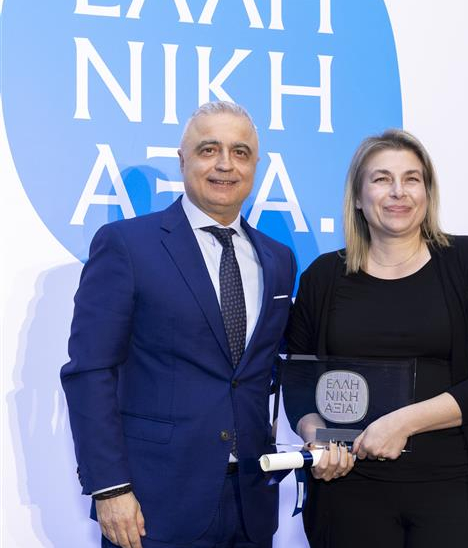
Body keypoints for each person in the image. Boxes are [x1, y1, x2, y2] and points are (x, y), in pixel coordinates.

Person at [61, 101, 296, 548]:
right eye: (209, 149)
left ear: (255, 165)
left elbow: (271, 369)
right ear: (182, 159)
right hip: (153, 505)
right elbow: (89, 371)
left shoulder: (278, 259)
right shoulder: (128, 245)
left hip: (251, 504)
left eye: (240, 152)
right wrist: (109, 487)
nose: (225, 164)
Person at [282, 129, 468, 548]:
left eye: (412, 179)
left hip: (457, 489)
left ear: (427, 193)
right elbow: (299, 380)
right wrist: (316, 437)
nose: (398, 191)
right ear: (358, 197)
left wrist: (402, 423)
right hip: (348, 491)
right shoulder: (323, 276)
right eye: (382, 179)